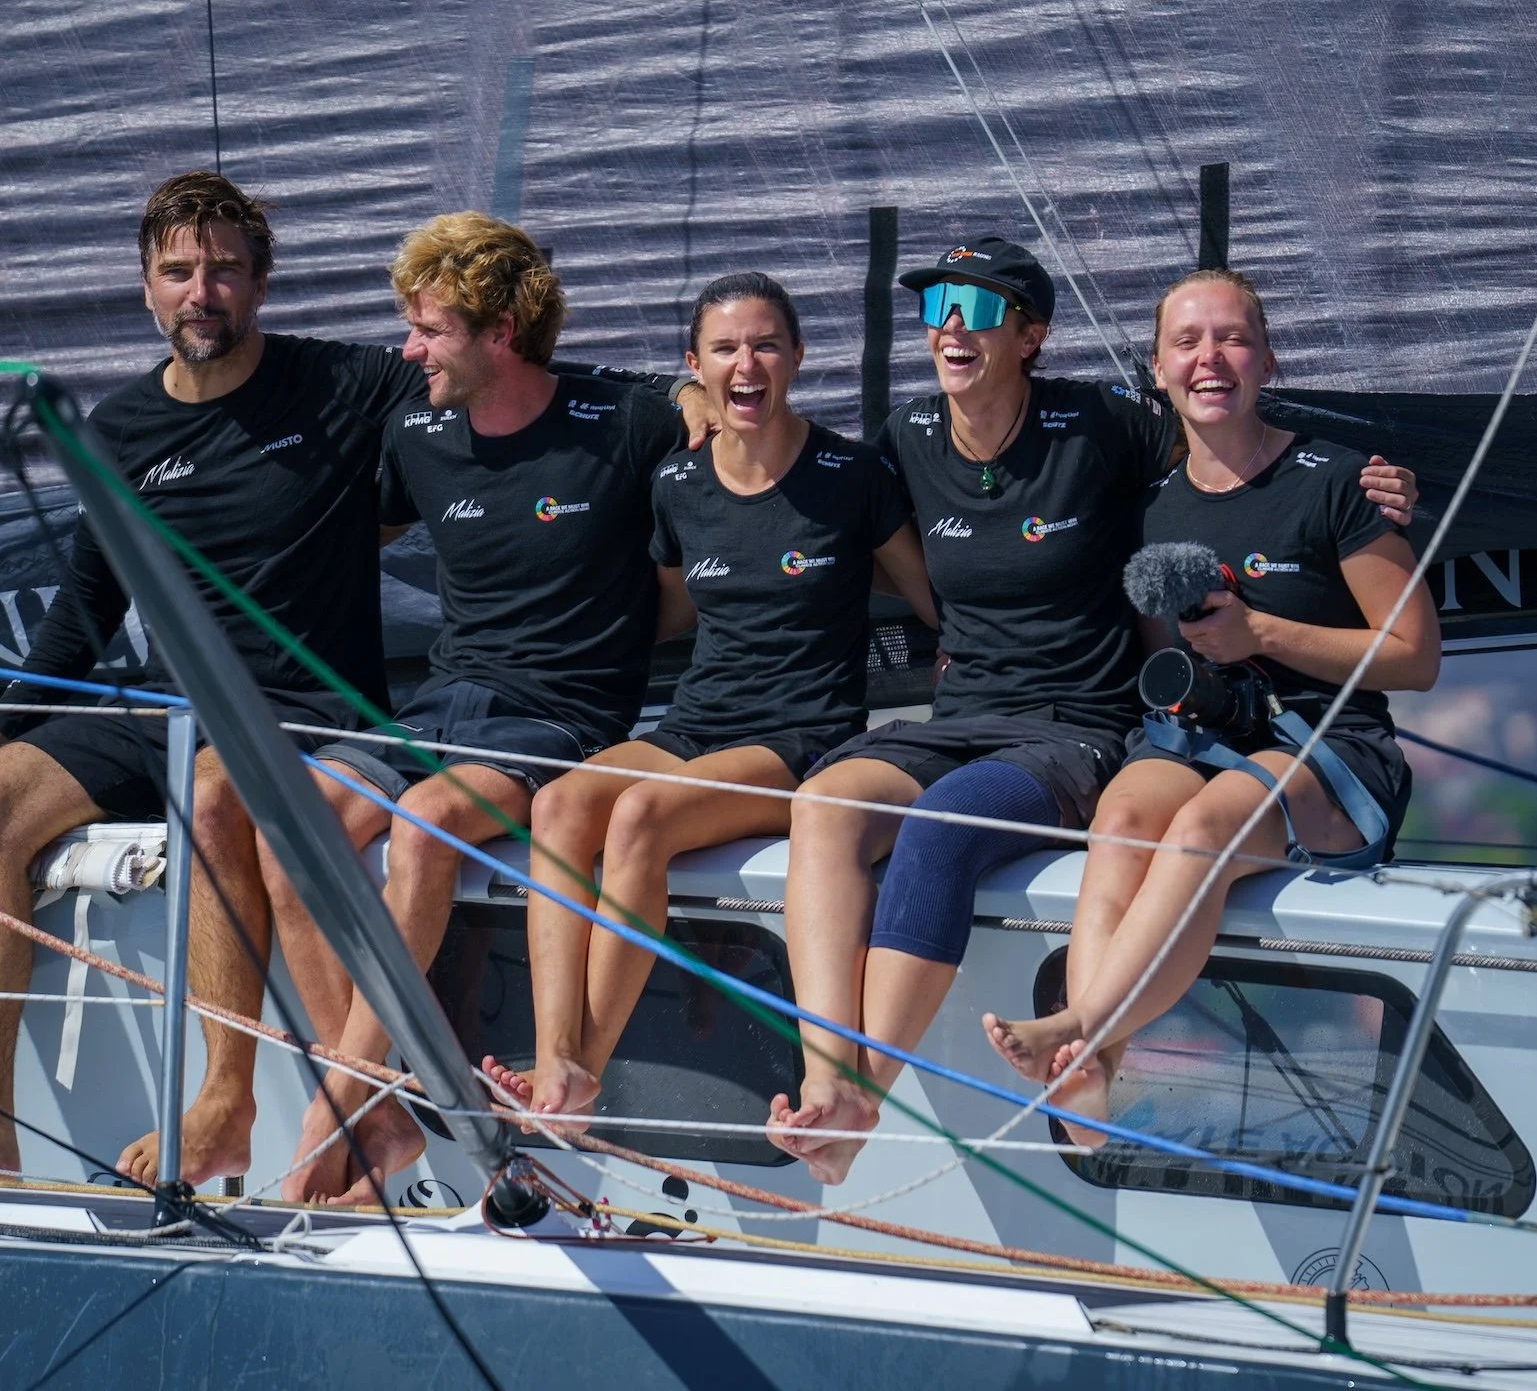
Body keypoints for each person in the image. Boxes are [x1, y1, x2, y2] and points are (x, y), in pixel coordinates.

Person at [767, 238, 1419, 1184]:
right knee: (823, 805)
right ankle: (833, 1082)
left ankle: (983, 1065)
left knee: (959, 831)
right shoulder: (913, 437)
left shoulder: (1113, 428)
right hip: (999, 718)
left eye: (977, 307)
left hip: (1086, 724)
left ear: (1031, 335)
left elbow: (1239, 438)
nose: (951, 325)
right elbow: (804, 478)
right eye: (937, 305)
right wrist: (690, 402)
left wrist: (1390, 483)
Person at [0, 171, 404, 1178]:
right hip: (168, 709)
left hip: (302, 707)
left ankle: (226, 1101)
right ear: (146, 289)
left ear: (261, 283)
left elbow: (496, 381)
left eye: (223, 271)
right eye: (178, 272)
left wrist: (683, 395)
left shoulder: (342, 385)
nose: (201, 292)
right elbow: (87, 609)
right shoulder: (123, 429)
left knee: (212, 789)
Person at [238, 211, 692, 1205]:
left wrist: (697, 395)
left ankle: (336, 1112)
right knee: (289, 829)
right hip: (442, 703)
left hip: (559, 713)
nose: (409, 351)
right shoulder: (419, 433)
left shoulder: (630, 423)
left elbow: (723, 484)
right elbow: (336, 538)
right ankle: (384, 1109)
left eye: (430, 330)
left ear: (502, 333)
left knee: (426, 824)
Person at [982, 269, 1438, 1135]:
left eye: (1232, 339)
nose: (1210, 358)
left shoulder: (1341, 482)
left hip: (1330, 745)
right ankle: (1091, 1080)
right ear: (1157, 372)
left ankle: (1082, 1029)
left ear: (1268, 360)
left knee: (1198, 829)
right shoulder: (1153, 507)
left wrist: (1260, 633)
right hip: (1202, 734)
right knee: (1122, 822)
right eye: (1186, 342)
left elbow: (1415, 658)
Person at [478, 272, 936, 1129]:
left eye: (765, 345)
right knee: (561, 805)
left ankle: (582, 1074)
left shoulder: (852, 473)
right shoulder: (678, 484)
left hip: (799, 733)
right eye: (725, 348)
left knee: (640, 817)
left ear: (797, 356)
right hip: (698, 719)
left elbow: (932, 599)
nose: (746, 364)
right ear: (695, 365)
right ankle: (556, 1051)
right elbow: (671, 613)